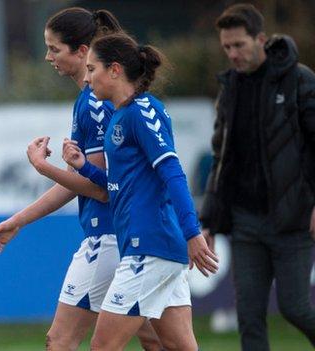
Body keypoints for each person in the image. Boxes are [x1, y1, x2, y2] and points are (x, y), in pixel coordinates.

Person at [0, 7, 161, 351]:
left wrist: (43, 167)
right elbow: (83, 181)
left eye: (54, 49)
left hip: (108, 237)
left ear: (82, 51)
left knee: (60, 341)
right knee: (160, 341)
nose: (48, 57)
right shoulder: (104, 100)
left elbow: (100, 187)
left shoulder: (96, 103)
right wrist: (18, 220)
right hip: (134, 237)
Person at [62, 32, 218, 350]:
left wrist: (192, 231)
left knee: (102, 346)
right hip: (150, 248)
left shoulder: (143, 111)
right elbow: (118, 187)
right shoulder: (120, 117)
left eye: (93, 69)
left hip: (151, 247)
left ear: (115, 70)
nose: (88, 78)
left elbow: (172, 172)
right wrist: (84, 167)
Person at [200, 4, 315, 350]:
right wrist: (209, 221)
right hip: (245, 222)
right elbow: (222, 159)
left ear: (261, 40)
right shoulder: (230, 89)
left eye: (239, 45)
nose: (232, 53)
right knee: (249, 317)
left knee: (295, 308)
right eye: (226, 47)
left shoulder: (300, 80)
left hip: (292, 219)